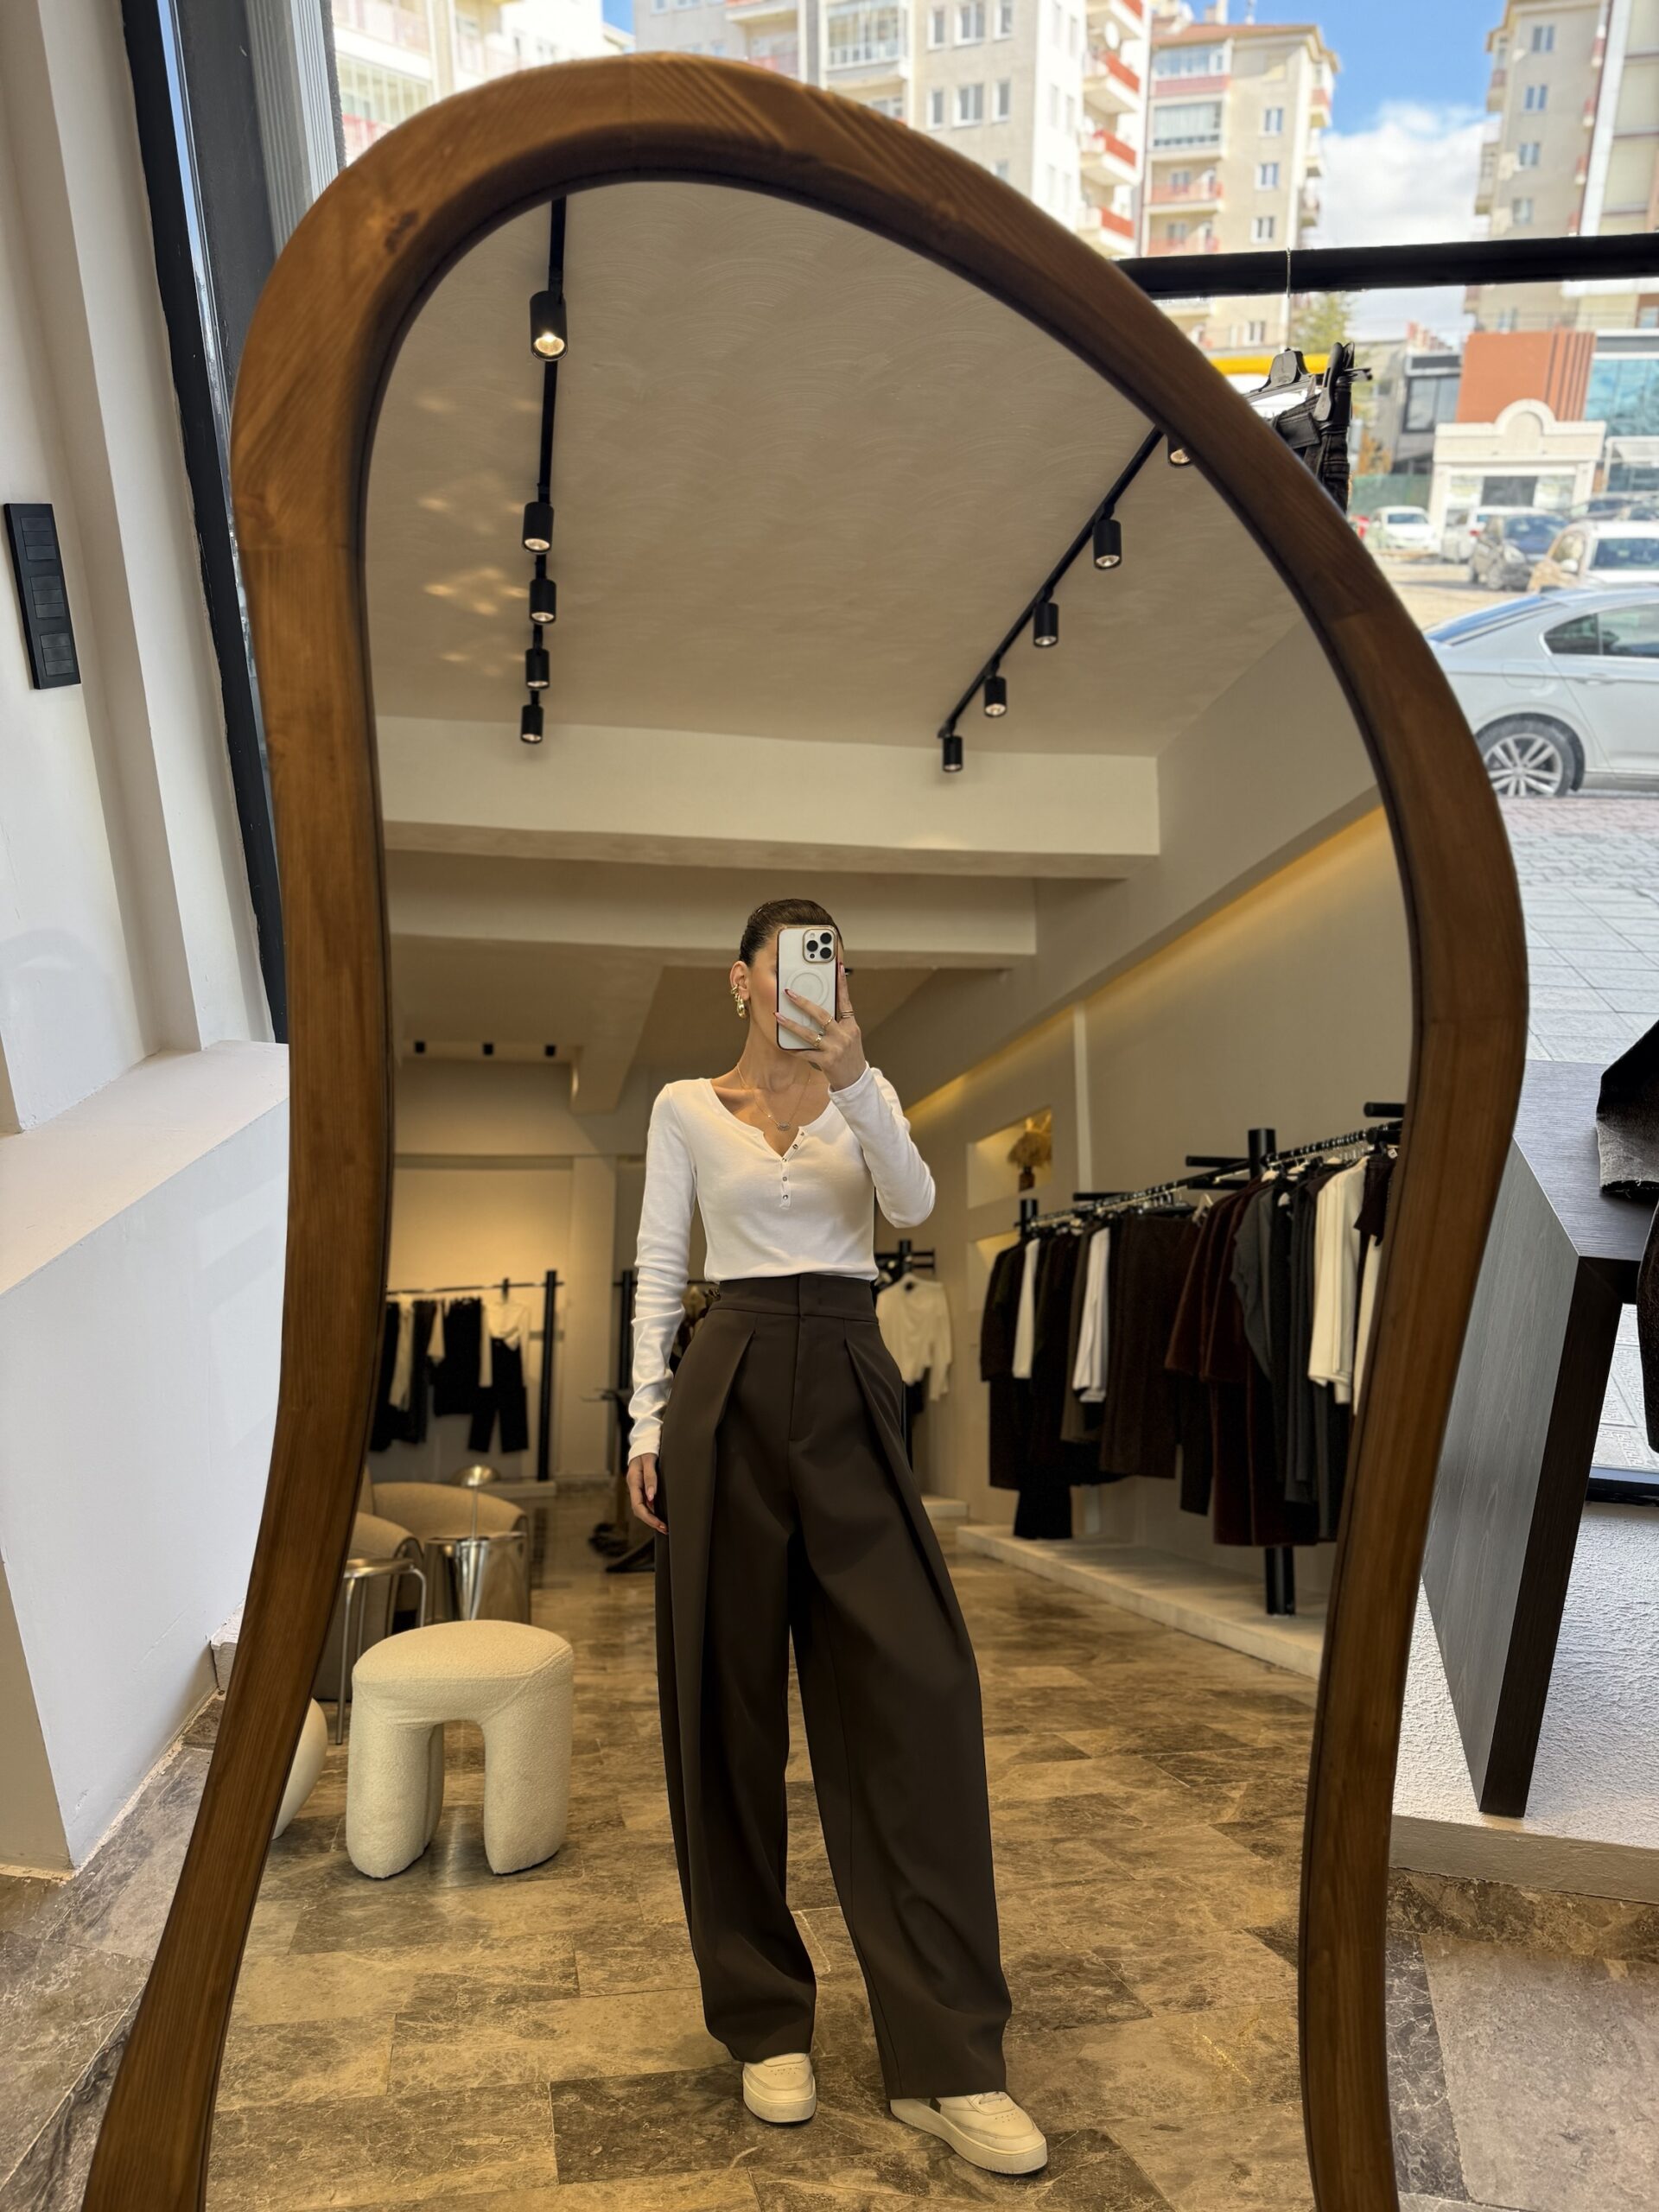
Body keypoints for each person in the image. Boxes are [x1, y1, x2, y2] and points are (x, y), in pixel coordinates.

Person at [626, 897, 1046, 2177]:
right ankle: (764, 2020)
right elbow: (660, 1268)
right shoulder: (684, 1108)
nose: (817, 983)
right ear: (741, 979)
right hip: (729, 1379)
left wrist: (857, 1080)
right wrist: (645, 1420)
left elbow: (913, 1205)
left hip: (854, 1372)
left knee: (921, 1692)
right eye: (796, 964)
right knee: (727, 1702)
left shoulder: (869, 1091)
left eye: (834, 966)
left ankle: (949, 2057)